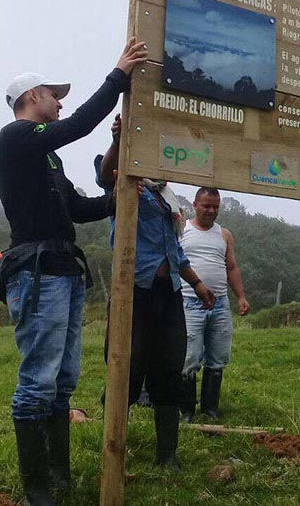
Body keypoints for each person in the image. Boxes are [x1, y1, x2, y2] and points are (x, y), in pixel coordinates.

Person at [0, 38, 147, 506]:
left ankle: (58, 477)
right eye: (53, 94)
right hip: (37, 271)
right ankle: (36, 490)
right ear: (31, 97)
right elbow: (79, 125)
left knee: (63, 378)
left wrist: (121, 198)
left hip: (63, 269)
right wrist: (117, 76)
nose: (61, 101)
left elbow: (78, 208)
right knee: (38, 379)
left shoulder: (49, 158)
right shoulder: (15, 138)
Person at [95, 116, 215, 471]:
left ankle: (167, 455)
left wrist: (196, 282)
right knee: (126, 367)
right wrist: (118, 142)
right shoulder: (127, 181)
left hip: (169, 293)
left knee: (169, 368)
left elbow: (174, 250)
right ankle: (113, 445)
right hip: (133, 290)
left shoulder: (166, 194)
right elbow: (105, 178)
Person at [178, 187, 250, 423]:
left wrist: (240, 297)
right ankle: (186, 411)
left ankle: (210, 410)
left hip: (219, 304)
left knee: (218, 357)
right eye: (206, 205)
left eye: (215, 207)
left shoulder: (225, 234)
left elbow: (232, 268)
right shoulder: (182, 230)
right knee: (189, 358)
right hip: (189, 302)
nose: (211, 211)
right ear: (195, 205)